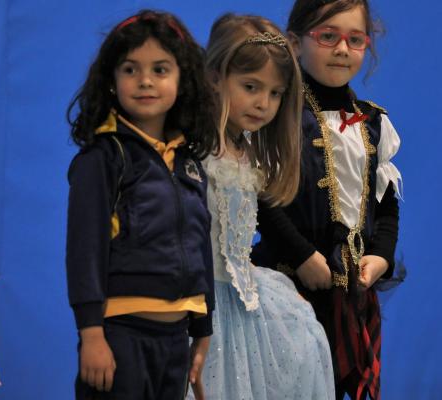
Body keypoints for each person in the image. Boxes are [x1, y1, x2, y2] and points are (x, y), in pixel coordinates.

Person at [252, 1, 403, 399]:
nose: (342, 49)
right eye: (327, 36)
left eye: (355, 40)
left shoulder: (373, 122)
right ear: (295, 42)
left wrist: (383, 254)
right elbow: (259, 196)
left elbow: (385, 201)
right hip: (286, 282)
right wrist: (301, 255)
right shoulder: (276, 114)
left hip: (351, 293)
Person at [65, 10, 218, 400]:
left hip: (176, 338)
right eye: (130, 69)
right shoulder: (102, 159)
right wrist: (92, 335)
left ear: (182, 82)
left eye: (161, 69)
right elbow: (84, 252)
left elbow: (201, 244)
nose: (145, 81)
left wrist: (202, 330)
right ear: (112, 82)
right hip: (119, 337)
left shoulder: (189, 163)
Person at [186, 13, 334, 400]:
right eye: (250, 86)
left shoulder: (247, 151)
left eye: (274, 93)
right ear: (216, 76)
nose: (262, 103)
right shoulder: (195, 150)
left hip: (243, 301)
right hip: (202, 304)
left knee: (304, 336)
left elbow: (236, 237)